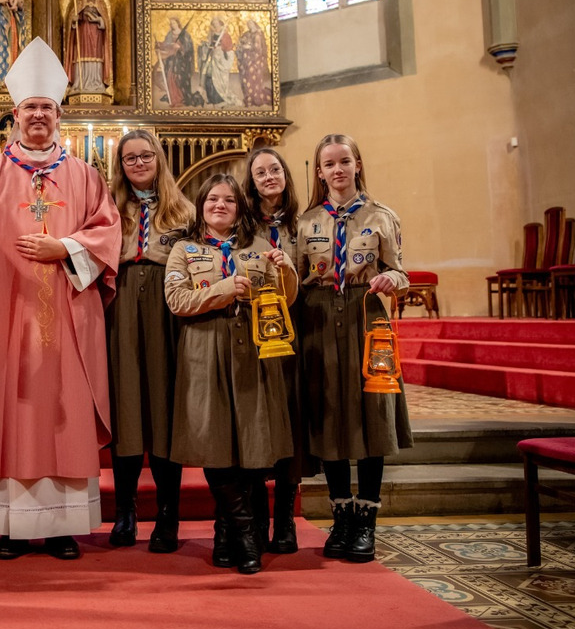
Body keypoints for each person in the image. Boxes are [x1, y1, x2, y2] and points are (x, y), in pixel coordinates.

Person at [0, 37, 122, 560]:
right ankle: (12, 527)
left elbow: (108, 233)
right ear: (14, 115)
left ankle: (64, 526)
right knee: (10, 410)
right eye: (29, 108)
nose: (38, 115)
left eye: (46, 107)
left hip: (66, 315)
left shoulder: (85, 175)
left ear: (58, 114)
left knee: (63, 413)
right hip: (7, 319)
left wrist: (62, 247)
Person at [164, 174, 295, 574]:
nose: (220, 206)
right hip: (204, 352)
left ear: (240, 208)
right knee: (214, 441)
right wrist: (221, 289)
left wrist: (286, 270)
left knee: (252, 446)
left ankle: (226, 533)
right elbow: (177, 300)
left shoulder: (260, 249)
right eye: (212, 200)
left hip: (253, 355)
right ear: (201, 204)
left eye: (230, 201)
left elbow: (284, 299)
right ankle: (244, 536)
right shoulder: (184, 250)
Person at [296, 134, 412, 563]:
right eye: (328, 164)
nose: (337, 170)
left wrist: (388, 280)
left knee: (370, 417)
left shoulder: (382, 216)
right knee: (331, 416)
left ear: (358, 164)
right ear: (320, 171)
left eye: (344, 161)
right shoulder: (306, 222)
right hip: (320, 320)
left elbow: (401, 273)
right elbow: (297, 276)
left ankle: (367, 521)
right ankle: (341, 515)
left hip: (367, 318)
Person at [106, 131, 195, 552]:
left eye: (145, 156)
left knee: (163, 412)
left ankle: (167, 515)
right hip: (121, 305)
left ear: (159, 159)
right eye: (129, 159)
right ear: (120, 166)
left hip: (166, 310)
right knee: (125, 410)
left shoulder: (185, 211)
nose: (138, 164)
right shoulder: (108, 209)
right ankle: (125, 512)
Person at [243, 147, 307, 555]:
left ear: (286, 174)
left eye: (275, 169)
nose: (269, 177)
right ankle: (257, 517)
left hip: (297, 333)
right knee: (258, 422)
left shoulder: (306, 222)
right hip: (254, 335)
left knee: (292, 422)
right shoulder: (243, 224)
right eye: (260, 172)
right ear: (250, 181)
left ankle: (285, 517)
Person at [63, 0, 112, 94]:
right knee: (81, 57)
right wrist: (74, 20)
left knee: (96, 59)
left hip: (96, 36)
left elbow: (106, 22)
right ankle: (80, 84)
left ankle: (96, 83)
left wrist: (98, 20)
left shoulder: (100, 0)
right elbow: (72, 18)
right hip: (83, 33)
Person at [154, 16, 195, 108]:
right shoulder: (169, 34)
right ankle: (173, 98)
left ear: (177, 23)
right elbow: (166, 44)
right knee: (170, 76)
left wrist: (180, 47)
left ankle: (181, 98)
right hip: (171, 59)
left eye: (174, 23)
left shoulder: (185, 34)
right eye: (171, 23)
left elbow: (189, 48)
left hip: (181, 61)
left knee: (178, 78)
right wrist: (160, 44)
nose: (172, 25)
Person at [237, 19, 273, 109]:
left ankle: (255, 98)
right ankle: (248, 98)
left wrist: (249, 47)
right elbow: (240, 42)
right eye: (248, 24)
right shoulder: (247, 34)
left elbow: (258, 49)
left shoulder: (258, 34)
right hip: (246, 60)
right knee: (245, 79)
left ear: (254, 24)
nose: (249, 25)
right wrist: (241, 46)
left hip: (255, 61)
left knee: (251, 78)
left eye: (250, 23)